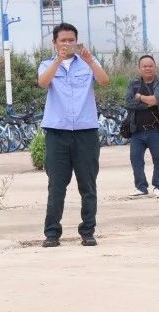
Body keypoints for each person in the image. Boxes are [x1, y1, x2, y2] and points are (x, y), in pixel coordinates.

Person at [37, 22, 111, 247]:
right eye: (63, 41)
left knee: (88, 184)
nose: (67, 44)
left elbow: (105, 80)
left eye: (71, 40)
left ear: (77, 41)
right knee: (56, 185)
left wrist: (90, 61)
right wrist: (59, 60)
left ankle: (88, 231)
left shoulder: (88, 63)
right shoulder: (47, 64)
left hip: (85, 131)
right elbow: (42, 83)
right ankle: (52, 233)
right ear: (54, 43)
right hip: (57, 132)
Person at [124, 55, 159, 199]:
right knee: (135, 158)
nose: (147, 68)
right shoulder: (133, 84)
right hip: (137, 130)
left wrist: (140, 97)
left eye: (150, 66)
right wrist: (148, 102)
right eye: (144, 66)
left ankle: (158, 186)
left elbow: (158, 99)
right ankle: (141, 187)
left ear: (155, 67)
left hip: (157, 129)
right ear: (139, 68)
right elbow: (129, 103)